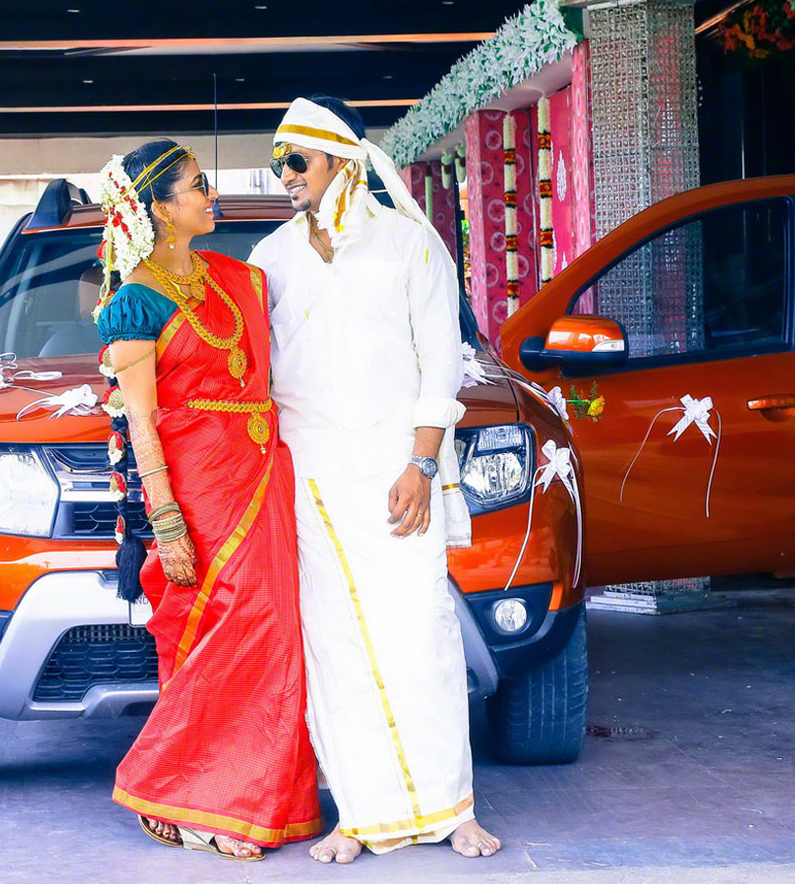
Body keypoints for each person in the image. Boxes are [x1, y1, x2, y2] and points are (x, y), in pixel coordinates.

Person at [248, 96, 502, 863]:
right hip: (313, 483)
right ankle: (358, 815)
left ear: (339, 159)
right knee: (335, 646)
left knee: (420, 635)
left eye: (297, 160)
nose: (286, 175)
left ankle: (453, 808)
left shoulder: (410, 245)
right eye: (279, 163)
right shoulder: (271, 258)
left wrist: (421, 463)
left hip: (400, 478)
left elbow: (441, 364)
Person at [94, 140, 321, 861]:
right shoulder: (134, 302)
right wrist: (165, 521)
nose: (210, 194)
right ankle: (173, 787)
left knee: (275, 630)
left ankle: (246, 799)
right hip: (197, 488)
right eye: (197, 186)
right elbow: (140, 419)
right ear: (160, 209)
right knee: (223, 630)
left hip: (263, 475)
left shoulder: (240, 278)